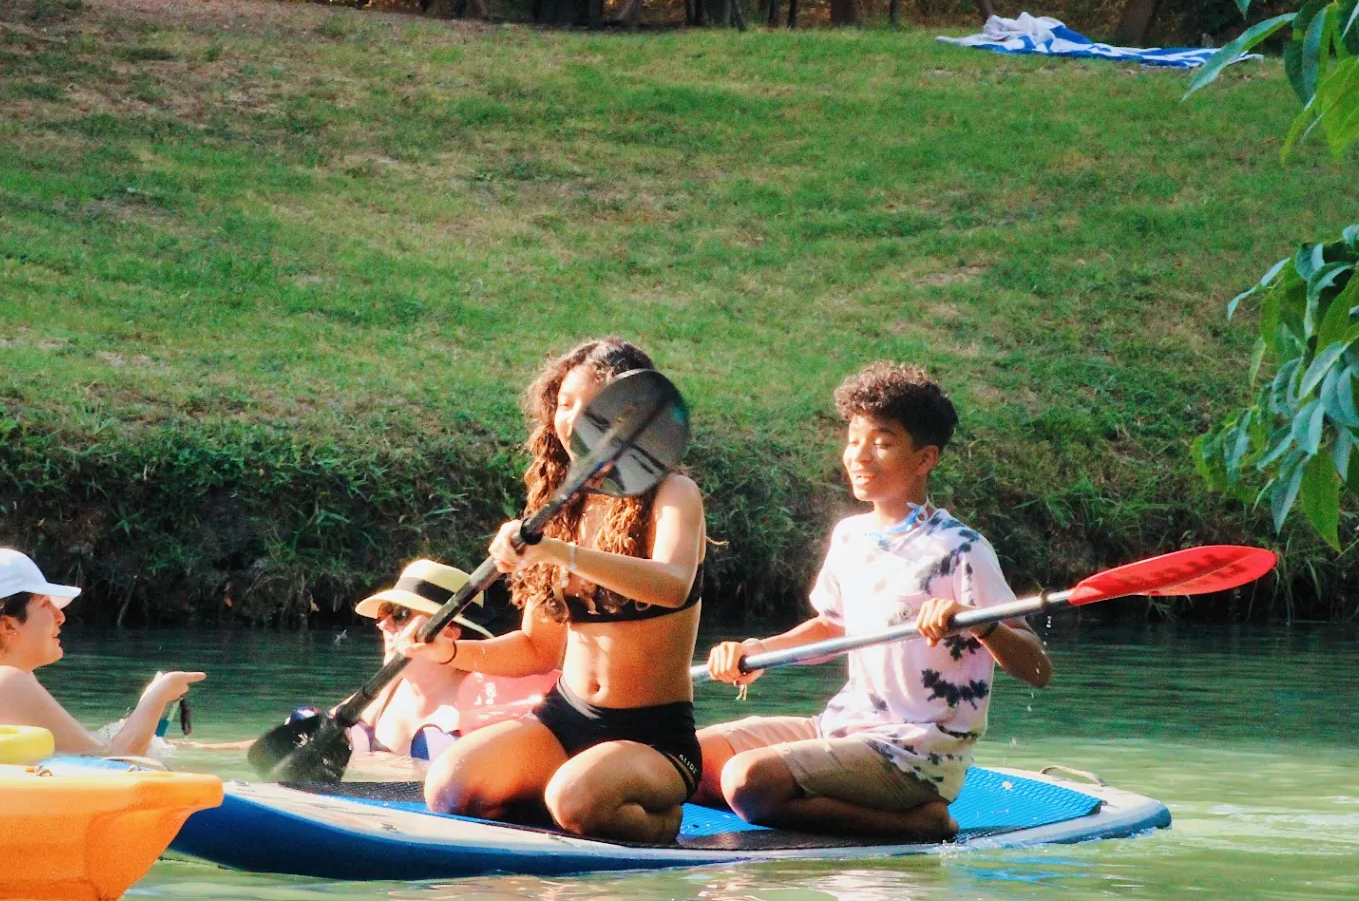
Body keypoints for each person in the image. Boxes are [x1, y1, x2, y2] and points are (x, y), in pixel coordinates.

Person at [695, 361, 1052, 841]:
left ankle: (918, 824)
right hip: (842, 727)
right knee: (687, 761)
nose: (859, 456)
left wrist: (978, 625)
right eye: (853, 439)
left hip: (918, 752)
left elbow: (1037, 670)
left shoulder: (961, 550)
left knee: (747, 780)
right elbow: (834, 628)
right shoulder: (851, 536)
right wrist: (758, 651)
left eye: (881, 443)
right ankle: (798, 802)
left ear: (924, 458)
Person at [395, 337, 706, 844]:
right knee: (450, 788)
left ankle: (657, 813)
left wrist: (556, 552)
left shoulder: (674, 494)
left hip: (653, 736)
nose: (571, 420)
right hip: (565, 718)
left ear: (632, 417)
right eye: (564, 405)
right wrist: (449, 651)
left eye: (591, 408)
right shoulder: (558, 507)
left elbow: (672, 584)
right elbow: (538, 649)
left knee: (576, 801)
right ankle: (569, 794)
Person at [0, 547, 204, 757]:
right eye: (45, 605)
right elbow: (114, 761)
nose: (60, 616)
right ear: (7, 625)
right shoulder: (6, 681)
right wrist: (157, 697)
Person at [350, 559, 555, 757]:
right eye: (383, 614)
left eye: (400, 614)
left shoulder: (490, 695)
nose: (384, 625)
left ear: (450, 631)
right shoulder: (385, 691)